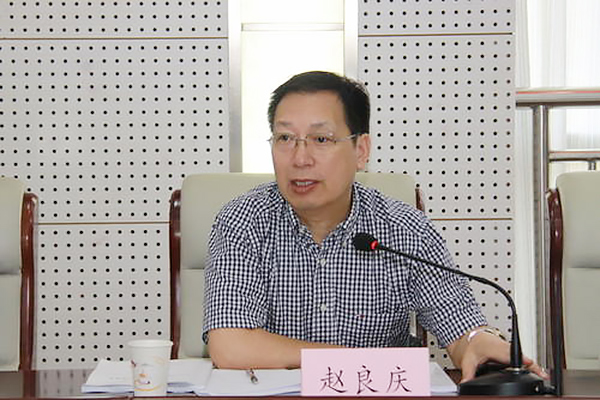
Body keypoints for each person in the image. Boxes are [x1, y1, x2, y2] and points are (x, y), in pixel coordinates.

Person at [202, 71, 547, 382]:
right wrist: (353, 361)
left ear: (361, 150)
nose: (300, 158)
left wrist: (477, 341)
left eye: (321, 140)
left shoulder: (404, 228)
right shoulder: (243, 221)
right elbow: (230, 345)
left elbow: (460, 328)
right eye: (285, 138)